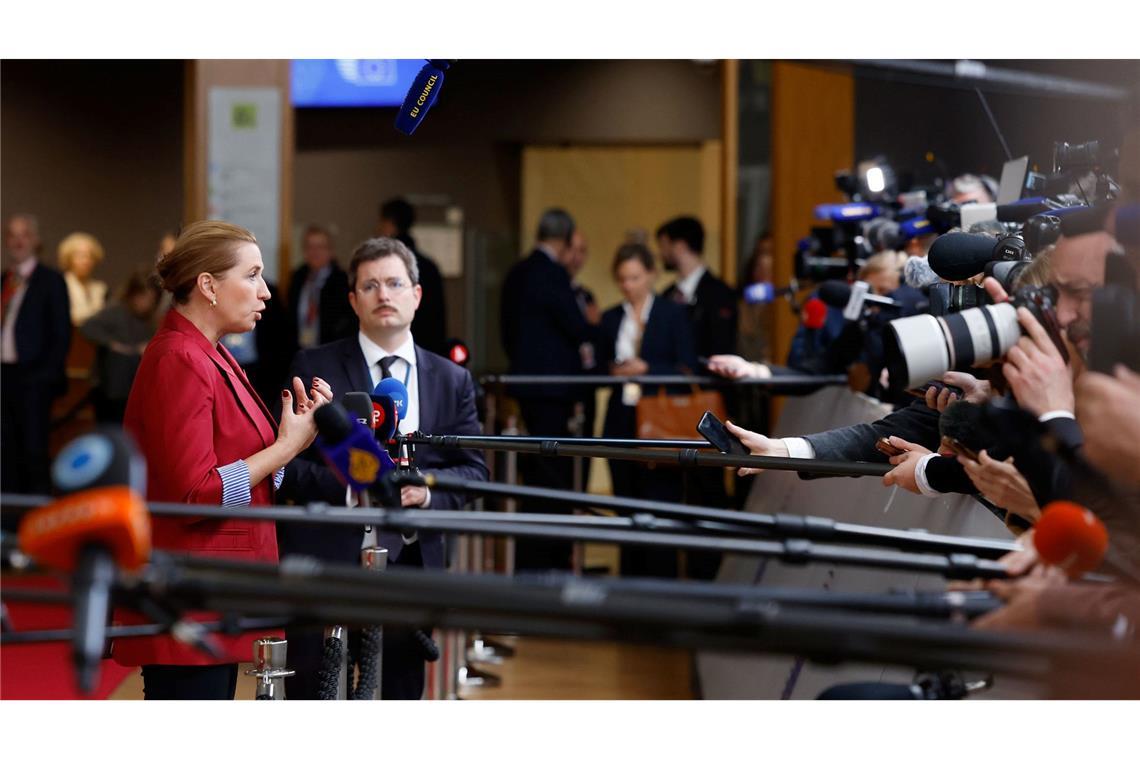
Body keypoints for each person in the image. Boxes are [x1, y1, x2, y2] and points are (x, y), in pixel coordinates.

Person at [115, 220, 330, 700]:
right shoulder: (181, 357)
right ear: (208, 286)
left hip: (214, 591)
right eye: (252, 275)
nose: (266, 292)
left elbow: (238, 469)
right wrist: (285, 448)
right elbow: (196, 493)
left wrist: (294, 433)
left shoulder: (210, 352)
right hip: (190, 597)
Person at [276, 236, 487, 700]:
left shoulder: (451, 380)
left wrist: (426, 493)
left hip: (410, 563)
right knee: (315, 696)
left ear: (417, 294)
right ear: (353, 299)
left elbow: (474, 470)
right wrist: (353, 489)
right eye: (370, 286)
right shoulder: (316, 366)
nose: (383, 295)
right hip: (326, 557)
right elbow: (285, 468)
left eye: (394, 283)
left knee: (399, 695)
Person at [499, 208, 599, 570]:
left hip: (526, 384)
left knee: (535, 469)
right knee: (553, 474)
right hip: (555, 390)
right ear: (566, 238)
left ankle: (531, 558)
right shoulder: (554, 275)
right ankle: (546, 560)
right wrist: (593, 327)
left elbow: (506, 330)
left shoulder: (517, 272)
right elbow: (577, 327)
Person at [599, 243, 697, 577]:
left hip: (660, 417)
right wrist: (614, 369)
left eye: (635, 277)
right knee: (625, 504)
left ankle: (662, 589)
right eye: (623, 279)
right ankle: (629, 587)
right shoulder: (612, 318)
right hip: (622, 417)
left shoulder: (672, 314)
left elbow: (686, 368)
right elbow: (598, 364)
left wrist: (645, 368)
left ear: (651, 275)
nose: (629, 285)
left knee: (660, 505)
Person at [1, 213, 71, 499]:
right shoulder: (4, 280)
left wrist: (44, 378)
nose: (18, 241)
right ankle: (6, 521)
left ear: (36, 240)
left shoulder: (50, 280)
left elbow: (61, 335)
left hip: (34, 379)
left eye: (25, 234)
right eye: (13, 235)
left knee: (33, 450)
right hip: (3, 376)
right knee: (5, 450)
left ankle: (35, 518)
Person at [79, 269, 162, 423]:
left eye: (151, 299)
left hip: (135, 389)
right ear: (132, 294)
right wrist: (113, 344)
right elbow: (87, 327)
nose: (146, 303)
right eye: (142, 297)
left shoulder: (151, 319)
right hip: (112, 389)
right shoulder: (116, 310)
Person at [378, 197, 448, 356]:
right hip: (426, 351)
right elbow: (438, 322)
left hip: (389, 347)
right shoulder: (429, 266)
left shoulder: (381, 265)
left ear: (389, 224)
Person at [286, 224, 356, 353]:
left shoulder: (343, 280)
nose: (315, 252)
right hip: (300, 350)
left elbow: (348, 321)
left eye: (320, 247)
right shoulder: (297, 277)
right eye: (310, 247)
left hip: (331, 350)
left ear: (331, 250)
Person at [57, 231, 108, 326]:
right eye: (80, 256)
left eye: (90, 256)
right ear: (69, 258)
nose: (85, 261)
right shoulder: (60, 284)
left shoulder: (100, 288)